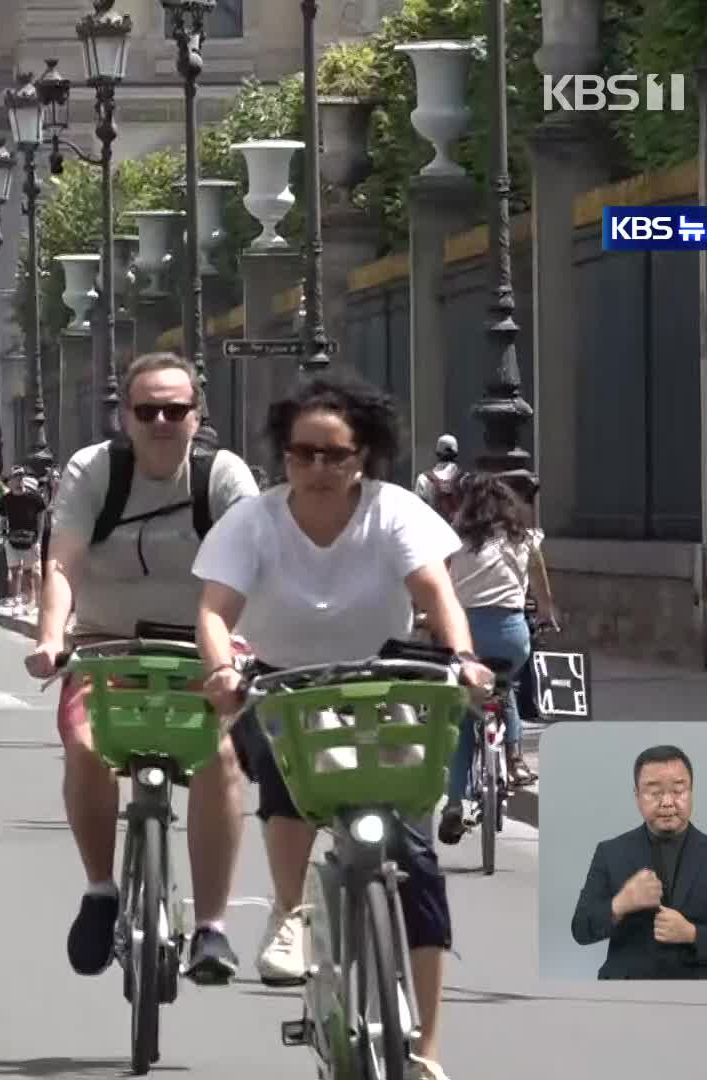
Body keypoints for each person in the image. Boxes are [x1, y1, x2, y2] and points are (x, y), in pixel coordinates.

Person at [192, 371, 494, 1080]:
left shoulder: (394, 512)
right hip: (282, 682)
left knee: (416, 861)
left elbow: (435, 591)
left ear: (365, 455)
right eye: (304, 454)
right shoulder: (256, 521)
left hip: (384, 682)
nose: (320, 469)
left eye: (337, 454)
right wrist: (223, 673)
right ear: (284, 457)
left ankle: (427, 1048)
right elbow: (214, 610)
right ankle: (291, 910)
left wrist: (463, 659)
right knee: (279, 763)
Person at [21, 352, 261, 986]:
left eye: (174, 409)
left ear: (196, 416)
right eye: (147, 410)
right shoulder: (94, 471)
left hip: (201, 649)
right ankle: (101, 890)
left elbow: (255, 569)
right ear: (123, 417)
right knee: (84, 743)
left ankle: (211, 929)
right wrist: (52, 638)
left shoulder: (225, 477)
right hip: (107, 646)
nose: (161, 421)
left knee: (222, 758)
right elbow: (64, 562)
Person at [439, 472, 556, 844]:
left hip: (467, 637)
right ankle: (516, 759)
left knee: (462, 715)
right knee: (505, 689)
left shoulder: (453, 541)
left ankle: (454, 804)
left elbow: (437, 587)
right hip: (511, 636)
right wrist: (546, 615)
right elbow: (542, 590)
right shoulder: (524, 541)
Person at [569, 744, 707, 979]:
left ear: (691, 791)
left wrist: (692, 933)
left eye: (678, 791)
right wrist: (621, 904)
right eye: (654, 792)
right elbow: (581, 930)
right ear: (637, 796)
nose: (667, 802)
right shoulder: (610, 853)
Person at [0, 471, 48, 613]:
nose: (19, 480)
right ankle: (16, 601)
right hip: (12, 540)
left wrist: (38, 540)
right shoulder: (6, 499)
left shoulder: (35, 498)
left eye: (21, 477)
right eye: (16, 478)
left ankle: (31, 601)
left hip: (30, 541)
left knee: (29, 573)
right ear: (10, 482)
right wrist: (4, 535)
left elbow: (41, 520)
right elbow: (2, 518)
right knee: (14, 572)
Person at [413, 434, 463, 520]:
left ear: (437, 453)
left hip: (433, 530)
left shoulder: (423, 479)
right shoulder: (465, 479)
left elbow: (417, 513)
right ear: (456, 453)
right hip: (457, 532)